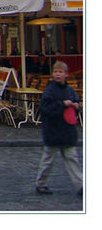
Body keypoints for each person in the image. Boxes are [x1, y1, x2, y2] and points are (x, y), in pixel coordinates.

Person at [35, 61, 83, 197]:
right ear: (52, 74)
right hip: (53, 130)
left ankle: (80, 186)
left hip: (67, 130)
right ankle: (41, 184)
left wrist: (76, 106)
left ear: (65, 74)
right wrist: (62, 104)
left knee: (72, 159)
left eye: (60, 72)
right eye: (56, 72)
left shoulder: (70, 91)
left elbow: (76, 106)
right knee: (48, 160)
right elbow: (45, 109)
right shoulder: (49, 90)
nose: (58, 74)